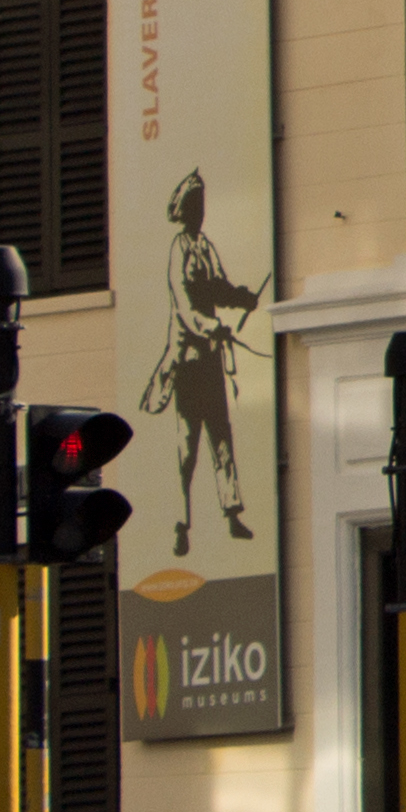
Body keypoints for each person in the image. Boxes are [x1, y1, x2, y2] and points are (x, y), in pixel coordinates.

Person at [140, 168, 265, 553]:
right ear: (186, 210)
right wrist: (213, 327)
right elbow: (185, 307)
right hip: (189, 362)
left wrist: (242, 297)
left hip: (210, 361)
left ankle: (232, 513)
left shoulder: (205, 246)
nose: (202, 212)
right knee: (187, 447)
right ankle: (181, 524)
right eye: (196, 206)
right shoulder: (179, 250)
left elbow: (217, 287)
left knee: (222, 439)